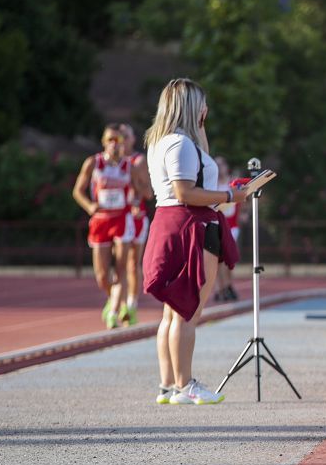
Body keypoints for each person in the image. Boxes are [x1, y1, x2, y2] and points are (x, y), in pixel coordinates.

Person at [143, 78, 248, 405]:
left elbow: (193, 175)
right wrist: (231, 194)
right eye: (202, 104)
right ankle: (185, 384)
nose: (207, 109)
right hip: (190, 224)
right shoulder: (180, 144)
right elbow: (185, 192)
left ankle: (168, 385)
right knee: (188, 310)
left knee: (172, 313)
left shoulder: (165, 141)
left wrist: (199, 129)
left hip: (172, 222)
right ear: (191, 107)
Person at [72, 124, 132, 329]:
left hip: (122, 219)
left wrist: (137, 197)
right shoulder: (93, 163)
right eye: (110, 140)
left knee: (121, 268)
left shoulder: (129, 165)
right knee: (101, 276)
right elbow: (78, 191)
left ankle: (115, 310)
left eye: (118, 140)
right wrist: (89, 205)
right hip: (100, 221)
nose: (114, 144)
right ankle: (113, 298)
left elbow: (144, 190)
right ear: (104, 142)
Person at [118, 123, 154, 325]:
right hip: (114, 218)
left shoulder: (139, 161)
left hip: (136, 217)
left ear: (132, 139)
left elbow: (148, 193)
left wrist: (133, 178)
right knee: (117, 265)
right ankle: (116, 301)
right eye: (118, 135)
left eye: (126, 135)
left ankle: (130, 305)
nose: (122, 139)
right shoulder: (105, 162)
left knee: (132, 264)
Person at [213, 155, 242, 302]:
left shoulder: (232, 183)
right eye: (216, 165)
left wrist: (244, 214)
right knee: (218, 260)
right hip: (217, 225)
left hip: (231, 226)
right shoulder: (212, 184)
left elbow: (242, 200)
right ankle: (221, 288)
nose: (219, 168)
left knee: (227, 258)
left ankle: (227, 286)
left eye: (221, 165)